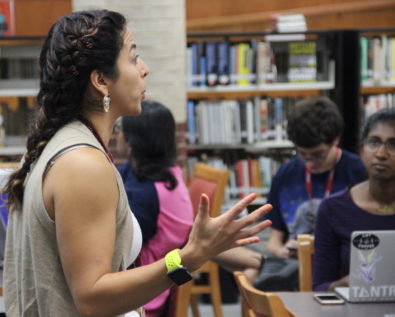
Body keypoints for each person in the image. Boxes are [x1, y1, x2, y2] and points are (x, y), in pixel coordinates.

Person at [1, 10, 272, 317]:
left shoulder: (58, 146)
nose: (145, 69)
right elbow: (93, 299)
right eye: (133, 58)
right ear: (101, 81)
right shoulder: (83, 165)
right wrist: (187, 258)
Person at [117, 100, 264, 317]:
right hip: (146, 281)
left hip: (143, 296)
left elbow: (122, 245)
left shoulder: (148, 194)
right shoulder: (162, 172)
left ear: (132, 141)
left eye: (121, 131)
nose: (116, 135)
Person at [264, 96, 367, 259]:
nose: (310, 163)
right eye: (302, 154)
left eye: (318, 154)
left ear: (336, 140)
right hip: (295, 263)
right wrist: (281, 251)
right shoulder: (285, 174)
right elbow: (274, 240)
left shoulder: (359, 172)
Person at [313, 108, 395, 291]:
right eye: (374, 142)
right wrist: (343, 285)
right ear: (361, 150)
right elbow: (320, 287)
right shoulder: (333, 209)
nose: (381, 154)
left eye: (393, 145)